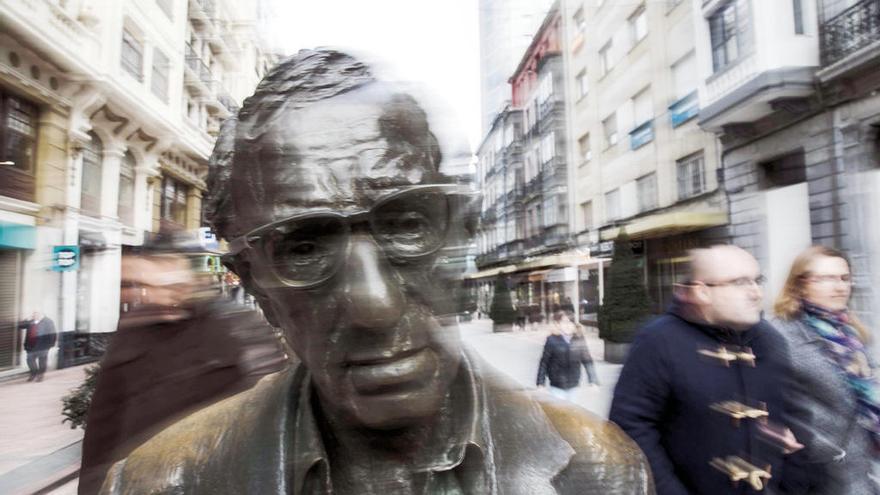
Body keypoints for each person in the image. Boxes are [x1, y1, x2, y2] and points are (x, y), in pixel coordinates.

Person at [98, 49, 653, 494]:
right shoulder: (156, 483)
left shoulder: (600, 470)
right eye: (303, 248)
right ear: (254, 287)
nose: (376, 304)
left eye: (407, 225)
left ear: (459, 235)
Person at [78, 240, 287, 495]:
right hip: (136, 481)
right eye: (141, 286)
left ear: (184, 272)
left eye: (160, 282)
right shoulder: (132, 332)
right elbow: (102, 429)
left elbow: (267, 414)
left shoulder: (238, 327)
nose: (151, 294)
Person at [610, 245, 804, 495]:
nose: (755, 292)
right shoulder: (658, 341)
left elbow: (794, 417)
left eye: (758, 280)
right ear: (702, 291)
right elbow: (631, 427)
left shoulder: (770, 340)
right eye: (740, 282)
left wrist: (792, 483)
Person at [771, 245, 880, 494]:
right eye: (826, 279)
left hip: (859, 467)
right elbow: (756, 395)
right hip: (817, 472)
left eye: (844, 278)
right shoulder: (780, 334)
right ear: (800, 284)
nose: (840, 286)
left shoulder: (849, 334)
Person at [537, 310, 600, 401]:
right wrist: (540, 383)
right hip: (556, 384)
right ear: (558, 324)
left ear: (574, 325)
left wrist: (593, 381)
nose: (567, 325)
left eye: (570, 322)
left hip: (574, 384)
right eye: (564, 322)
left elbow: (587, 360)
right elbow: (544, 362)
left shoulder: (579, 339)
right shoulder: (551, 340)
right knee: (559, 411)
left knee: (572, 411)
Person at [19, 311, 57, 382]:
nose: (34, 315)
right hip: (30, 346)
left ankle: (40, 375)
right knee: (30, 360)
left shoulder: (48, 322)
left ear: (41, 314)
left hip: (43, 346)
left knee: (42, 361)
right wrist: (26, 319)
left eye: (36, 314)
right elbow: (20, 326)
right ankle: (33, 373)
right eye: (33, 314)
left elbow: (53, 334)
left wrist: (50, 345)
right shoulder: (31, 321)